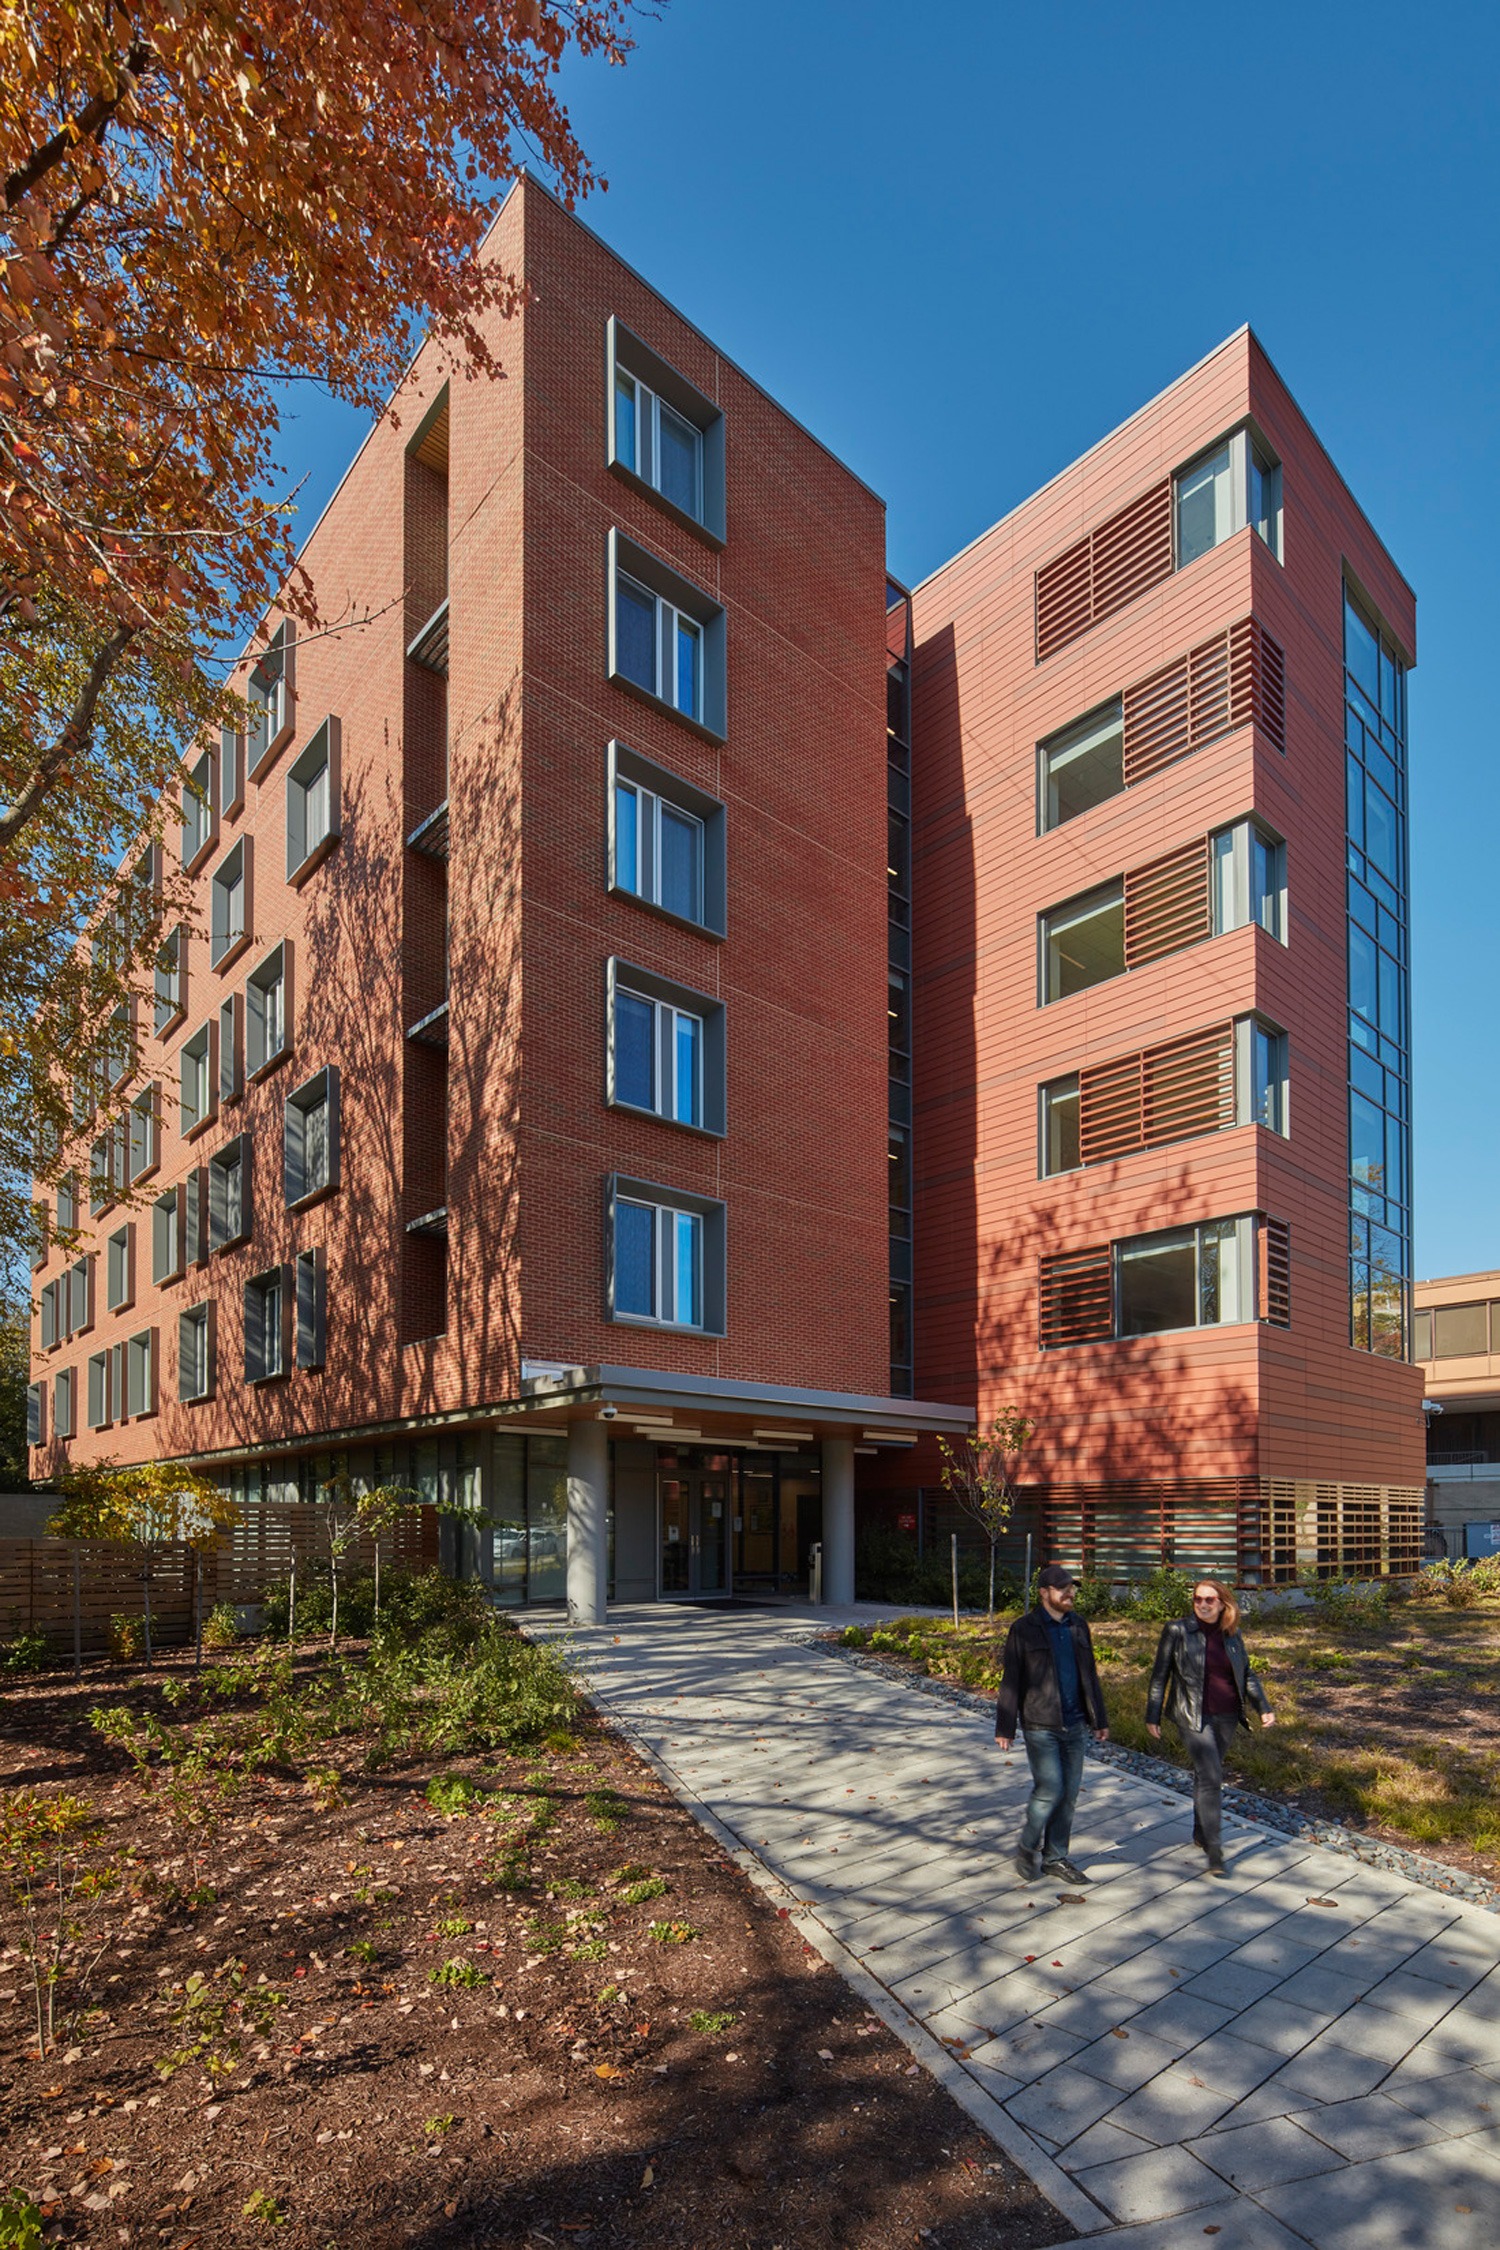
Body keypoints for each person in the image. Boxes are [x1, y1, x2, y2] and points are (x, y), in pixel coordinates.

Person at [1144, 1579, 1276, 1876]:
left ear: (1222, 1603)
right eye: (1198, 1599)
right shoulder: (1177, 1631)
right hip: (1191, 1716)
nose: (1203, 1605)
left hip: (1226, 1715)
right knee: (1212, 1776)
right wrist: (1152, 1715)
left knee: (1205, 1775)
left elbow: (1247, 1673)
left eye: (1209, 1600)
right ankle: (1215, 1848)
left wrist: (1263, 1707)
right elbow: (1159, 1675)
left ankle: (1201, 1832)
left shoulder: (1231, 1633)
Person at [994, 1563, 1109, 1885]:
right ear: (1044, 1593)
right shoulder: (1024, 1629)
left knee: (1069, 1794)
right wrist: (1005, 1727)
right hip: (1040, 1725)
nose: (1069, 1593)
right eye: (1062, 1588)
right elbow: (1011, 1680)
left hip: (1075, 1725)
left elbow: (1090, 1676)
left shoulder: (1078, 1626)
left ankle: (1055, 1858)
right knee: (1050, 1789)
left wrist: (1099, 1718)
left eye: (1071, 1587)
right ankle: (1027, 1845)